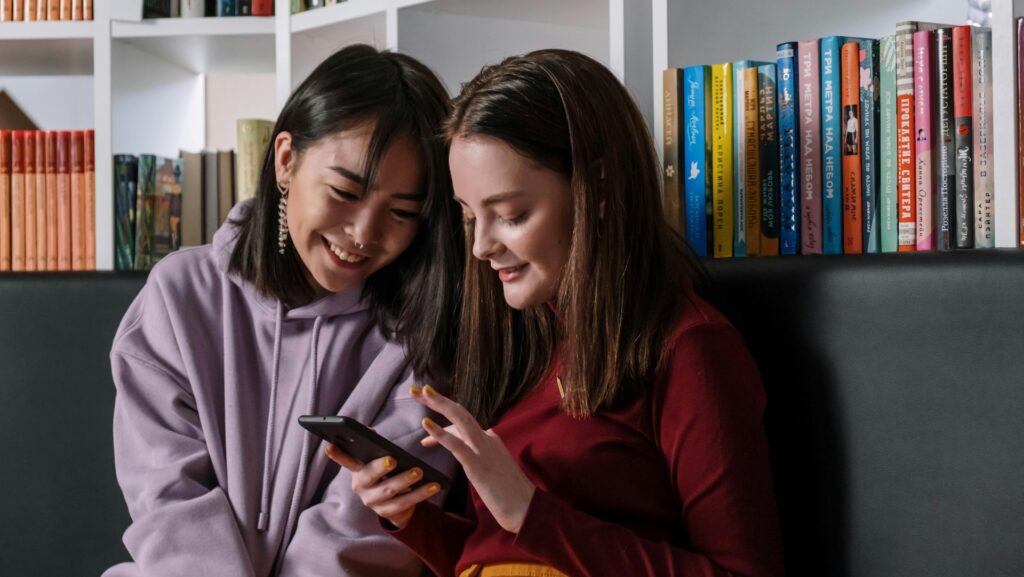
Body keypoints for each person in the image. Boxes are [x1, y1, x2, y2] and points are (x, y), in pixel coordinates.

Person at [328, 49, 785, 577]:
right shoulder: (523, 339)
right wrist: (411, 519)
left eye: (511, 215)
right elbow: (504, 553)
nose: (480, 247)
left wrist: (529, 512)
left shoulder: (690, 350)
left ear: (601, 191)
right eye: (469, 216)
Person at [104, 44, 463, 577]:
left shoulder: (423, 332)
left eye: (402, 213)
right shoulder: (179, 298)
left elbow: (364, 535)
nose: (364, 234)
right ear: (286, 159)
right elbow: (167, 500)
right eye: (344, 192)